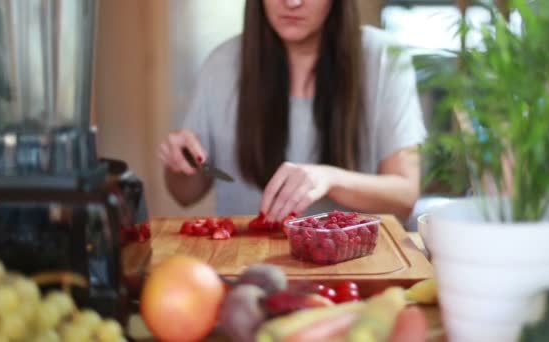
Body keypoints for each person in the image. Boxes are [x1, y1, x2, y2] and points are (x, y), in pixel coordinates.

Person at [160, 0, 426, 223]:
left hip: (351, 272)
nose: (292, 2)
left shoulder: (383, 59)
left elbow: (404, 197)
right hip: (244, 272)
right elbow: (185, 195)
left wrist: (330, 178)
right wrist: (180, 165)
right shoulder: (220, 65)